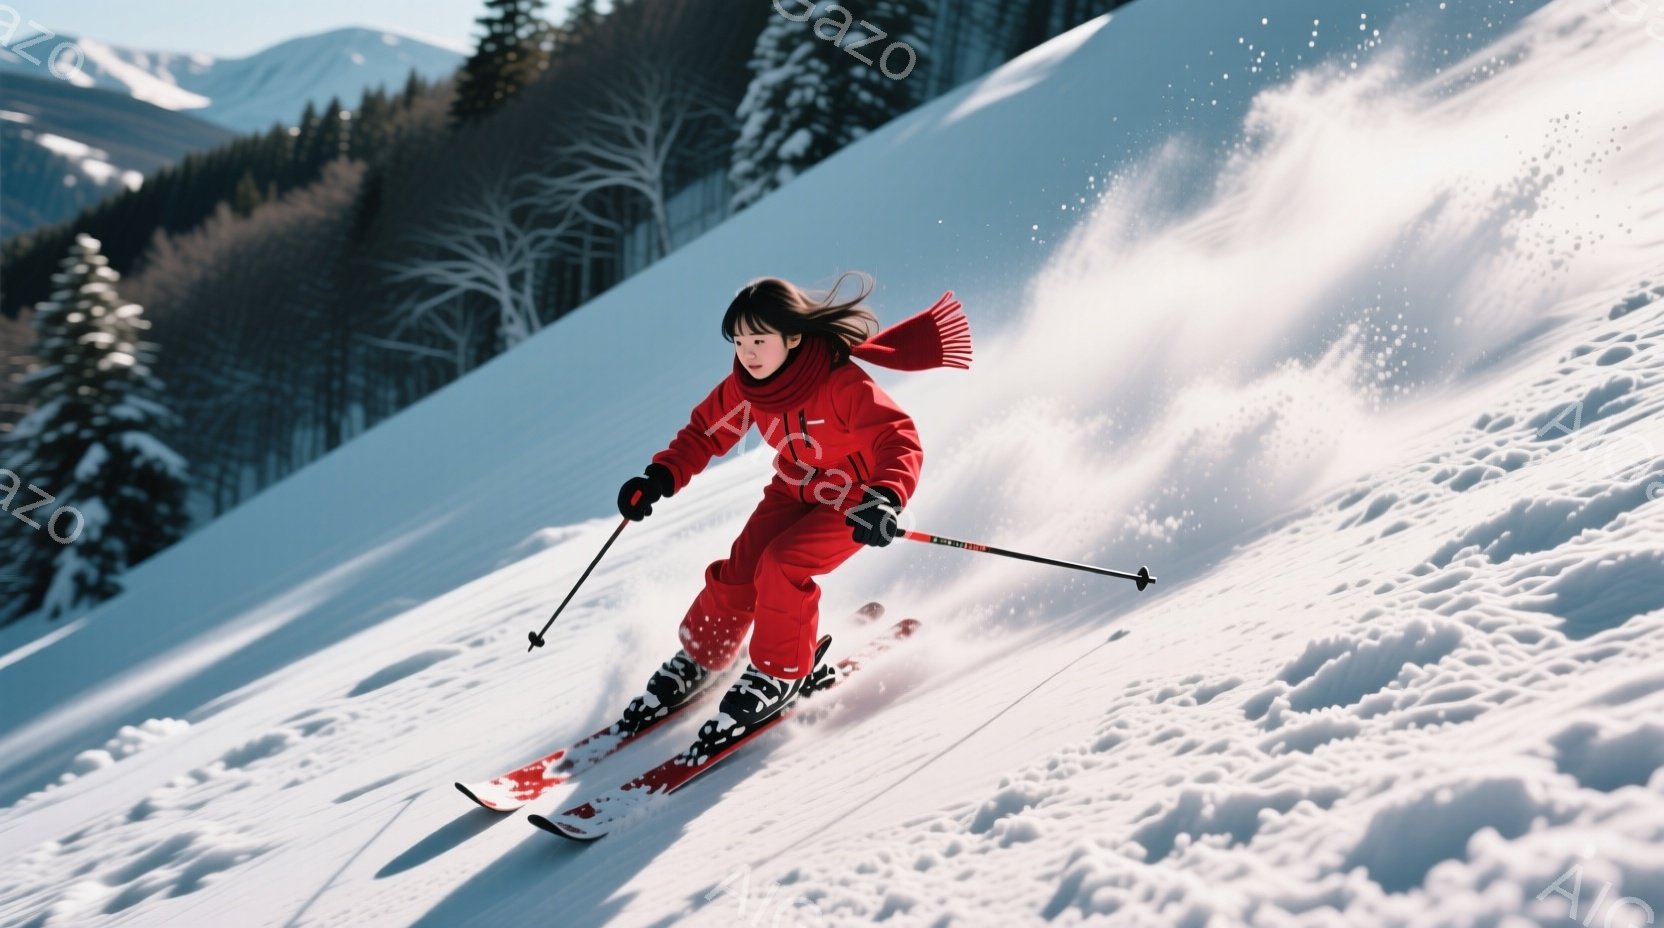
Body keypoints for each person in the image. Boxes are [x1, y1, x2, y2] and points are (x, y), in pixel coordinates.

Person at [614, 271, 971, 745]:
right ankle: (704, 654)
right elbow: (704, 433)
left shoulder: (839, 384)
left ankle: (780, 673)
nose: (748, 352)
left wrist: (886, 496)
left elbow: (898, 438)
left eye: (759, 339)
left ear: (794, 336)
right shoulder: (748, 388)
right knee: (741, 570)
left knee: (782, 565)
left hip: (854, 502)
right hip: (793, 490)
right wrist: (660, 476)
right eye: (739, 341)